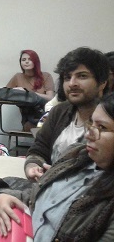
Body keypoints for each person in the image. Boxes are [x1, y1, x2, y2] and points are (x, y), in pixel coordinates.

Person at [0, 92, 114, 241]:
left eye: (102, 127)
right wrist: (6, 197)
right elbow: (41, 193)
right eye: (91, 123)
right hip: (29, 228)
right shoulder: (78, 154)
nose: (88, 134)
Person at [24, 47, 109, 182]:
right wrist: (33, 166)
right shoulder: (59, 112)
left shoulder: (108, 120)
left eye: (82, 76)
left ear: (102, 83)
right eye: (67, 77)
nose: (72, 83)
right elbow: (39, 150)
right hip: (50, 189)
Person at [6, 50, 55, 131]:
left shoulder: (46, 76)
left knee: (47, 127)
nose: (26, 62)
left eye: (30, 59)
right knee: (30, 126)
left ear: (36, 61)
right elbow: (6, 93)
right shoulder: (17, 77)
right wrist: (15, 92)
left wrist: (28, 93)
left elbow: (50, 97)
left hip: (45, 114)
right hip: (28, 116)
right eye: (23, 60)